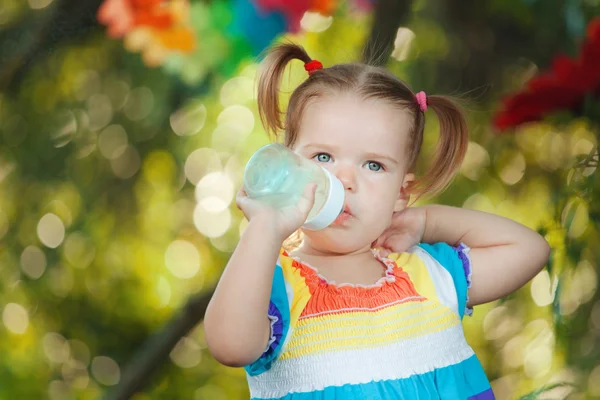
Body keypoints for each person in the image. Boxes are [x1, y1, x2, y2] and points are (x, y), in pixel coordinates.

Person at [204, 42, 550, 399]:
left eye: (374, 165)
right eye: (323, 156)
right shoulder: (274, 285)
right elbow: (230, 345)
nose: (345, 179)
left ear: (401, 193)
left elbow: (529, 249)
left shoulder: (430, 274)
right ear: (288, 167)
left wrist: (427, 221)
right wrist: (264, 230)